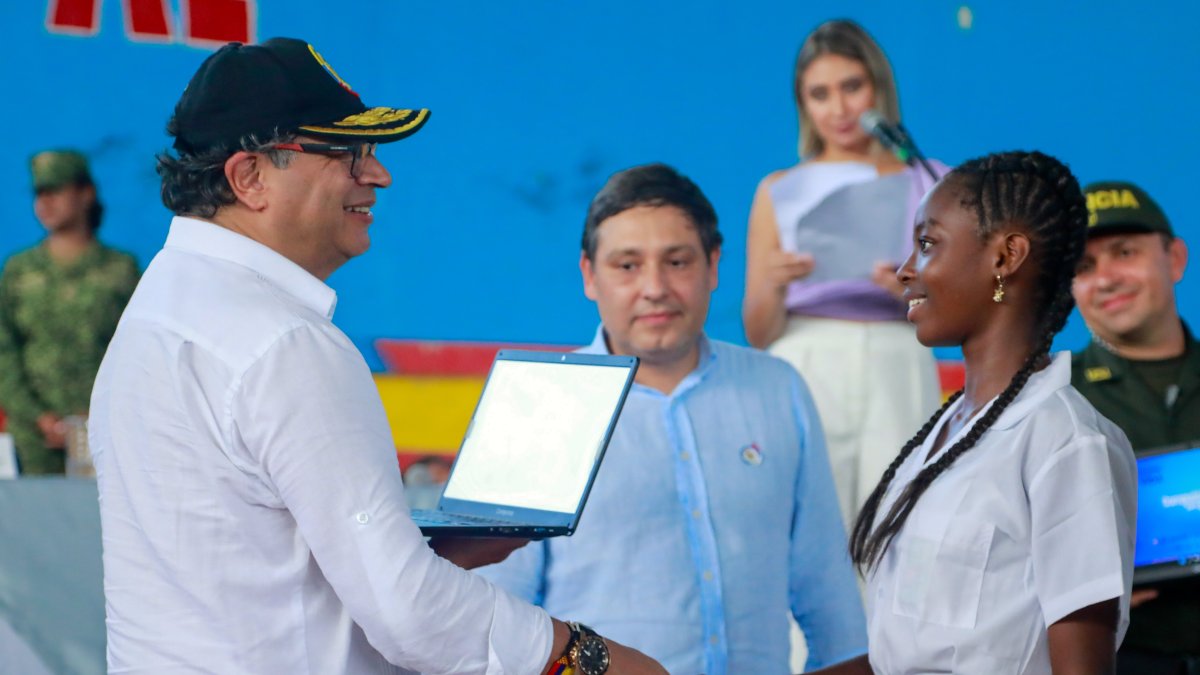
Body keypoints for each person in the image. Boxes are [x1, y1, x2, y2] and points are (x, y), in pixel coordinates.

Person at [88, 37, 663, 675]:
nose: (377, 174)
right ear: (249, 177)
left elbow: (238, 560)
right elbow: (410, 614)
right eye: (343, 152)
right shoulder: (285, 343)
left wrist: (423, 550)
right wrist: (587, 660)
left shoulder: (157, 311)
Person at [478, 163, 867, 674]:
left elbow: (828, 596)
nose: (655, 287)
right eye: (627, 266)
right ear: (589, 276)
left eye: (678, 262)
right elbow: (494, 620)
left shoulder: (778, 388)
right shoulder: (536, 405)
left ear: (713, 265)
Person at [807, 151, 1138, 674]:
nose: (906, 269)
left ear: (1006, 257)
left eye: (927, 244)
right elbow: (902, 657)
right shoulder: (945, 430)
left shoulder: (1066, 442)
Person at [742, 19, 942, 529]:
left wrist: (909, 293)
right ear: (803, 105)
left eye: (852, 86)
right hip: (806, 355)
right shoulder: (778, 188)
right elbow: (758, 332)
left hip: (897, 356)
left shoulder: (930, 179)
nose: (839, 107)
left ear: (879, 86)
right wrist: (773, 282)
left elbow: (963, 311)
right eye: (820, 93)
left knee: (897, 522)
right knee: (807, 524)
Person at [1070, 180, 1199, 675]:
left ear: (1175, 259)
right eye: (1083, 267)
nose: (1105, 279)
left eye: (1124, 253)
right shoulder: (1051, 399)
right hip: (1120, 660)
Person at [0, 150, 138, 475]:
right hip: (32, 437)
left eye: (56, 190)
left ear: (86, 194)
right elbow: (4, 350)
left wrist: (101, 413)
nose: (45, 202)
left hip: (104, 429)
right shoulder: (19, 271)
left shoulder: (120, 270)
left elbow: (137, 350)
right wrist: (37, 416)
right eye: (39, 193)